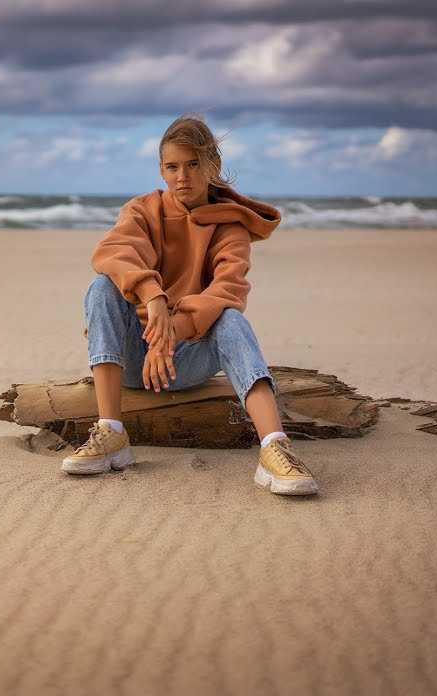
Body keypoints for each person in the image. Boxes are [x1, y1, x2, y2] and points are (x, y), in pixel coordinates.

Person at [61, 112, 318, 496]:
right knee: (101, 286)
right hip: (137, 358)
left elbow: (227, 290)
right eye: (173, 166)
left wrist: (173, 330)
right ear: (161, 170)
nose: (183, 176)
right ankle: (111, 433)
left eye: (193, 164)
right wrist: (155, 301)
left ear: (213, 163)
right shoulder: (142, 210)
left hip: (189, 359)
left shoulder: (231, 227)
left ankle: (275, 448)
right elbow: (113, 253)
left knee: (230, 318)